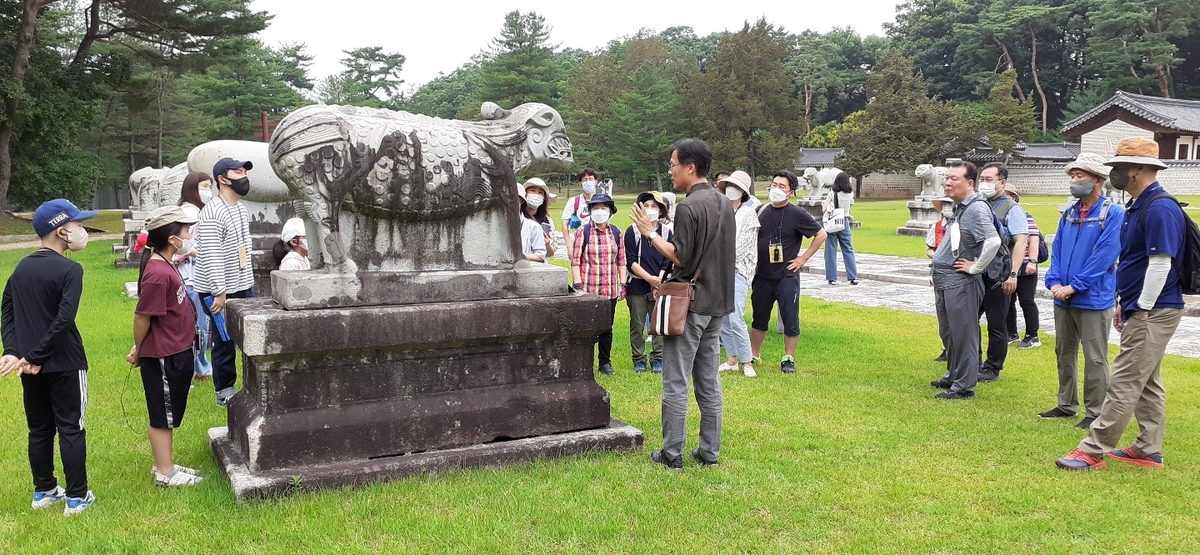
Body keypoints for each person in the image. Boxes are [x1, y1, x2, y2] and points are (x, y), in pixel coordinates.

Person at [1057, 137, 1186, 470]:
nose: (1113, 173)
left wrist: (1141, 307)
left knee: (1125, 379)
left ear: (1138, 170)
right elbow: (1134, 262)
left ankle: (1092, 449)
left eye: (1118, 168)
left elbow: (1161, 263)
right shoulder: (1139, 205)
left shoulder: (1159, 207)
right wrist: (1124, 303)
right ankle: (1148, 449)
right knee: (1147, 380)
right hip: (1141, 306)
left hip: (1154, 310)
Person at [630, 138, 734, 470]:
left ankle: (671, 453)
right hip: (717, 303)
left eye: (673, 165)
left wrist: (650, 233)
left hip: (689, 304)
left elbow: (681, 257)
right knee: (708, 380)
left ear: (690, 167)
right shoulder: (724, 202)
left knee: (676, 380)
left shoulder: (689, 207)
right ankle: (709, 452)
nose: (670, 171)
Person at [1, 199, 97, 515]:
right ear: (61, 231)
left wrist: (16, 352)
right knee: (71, 428)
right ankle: (77, 497)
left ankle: (44, 491)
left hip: (31, 367)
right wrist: (33, 355)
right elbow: (64, 319)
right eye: (79, 225)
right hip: (66, 362)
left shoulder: (21, 268)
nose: (82, 230)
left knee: (39, 428)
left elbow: (7, 310)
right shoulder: (71, 269)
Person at [1041, 153, 1124, 429]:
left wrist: (1075, 286)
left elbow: (1105, 256)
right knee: (1063, 352)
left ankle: (1096, 411)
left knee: (1095, 357)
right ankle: (1066, 404)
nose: (1074, 181)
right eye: (1073, 176)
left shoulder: (1112, 213)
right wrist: (1053, 282)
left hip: (1093, 298)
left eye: (1080, 176)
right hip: (1062, 297)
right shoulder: (1069, 214)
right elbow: (1058, 251)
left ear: (1097, 181)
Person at [126, 206, 205, 488]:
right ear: (172, 238)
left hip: (176, 349)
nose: (189, 234)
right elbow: (142, 315)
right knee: (163, 412)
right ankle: (164, 471)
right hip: (164, 354)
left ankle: (166, 463)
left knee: (170, 410)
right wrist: (139, 348)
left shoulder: (165, 263)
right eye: (185, 230)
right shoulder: (157, 272)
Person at [929, 161, 1000, 400]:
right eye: (946, 178)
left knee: (964, 334)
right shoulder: (961, 207)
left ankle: (964, 387)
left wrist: (975, 267)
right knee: (949, 333)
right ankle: (953, 375)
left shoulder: (976, 208)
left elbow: (993, 241)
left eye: (954, 179)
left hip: (962, 283)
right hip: (946, 281)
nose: (947, 182)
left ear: (970, 184)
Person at [749, 170, 826, 374]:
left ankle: (788, 357)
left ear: (791, 192)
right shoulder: (761, 210)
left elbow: (821, 234)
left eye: (781, 186)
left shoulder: (798, 214)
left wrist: (803, 259)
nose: (776, 189)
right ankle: (753, 354)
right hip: (762, 274)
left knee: (790, 317)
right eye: (774, 184)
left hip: (786, 275)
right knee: (759, 317)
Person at [194, 156, 255, 407]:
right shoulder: (212, 212)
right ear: (223, 179)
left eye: (244, 172)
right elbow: (211, 255)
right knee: (225, 340)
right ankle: (224, 392)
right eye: (238, 172)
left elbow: (244, 249)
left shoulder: (240, 209)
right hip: (216, 290)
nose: (244, 177)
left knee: (249, 335)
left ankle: (252, 386)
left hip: (241, 284)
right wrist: (220, 292)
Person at [975, 162, 1028, 382]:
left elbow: (1021, 241)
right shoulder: (978, 204)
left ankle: (993, 366)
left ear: (1002, 183)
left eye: (989, 179)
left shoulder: (1011, 208)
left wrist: (1012, 274)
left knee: (997, 324)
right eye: (982, 179)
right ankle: (971, 361)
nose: (984, 183)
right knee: (969, 320)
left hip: (998, 275)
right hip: (976, 273)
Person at [570, 194, 627, 375]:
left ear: (610, 211)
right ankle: (583, 363)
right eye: (595, 208)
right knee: (585, 328)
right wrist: (578, 285)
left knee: (606, 328)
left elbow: (621, 261)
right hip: (588, 288)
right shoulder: (583, 232)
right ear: (590, 211)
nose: (599, 211)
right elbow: (575, 260)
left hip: (609, 290)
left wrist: (623, 284)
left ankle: (604, 363)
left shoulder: (617, 232)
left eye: (603, 208)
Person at [714, 171, 759, 377]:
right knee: (722, 316)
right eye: (729, 186)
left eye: (737, 187)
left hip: (738, 271)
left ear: (743, 192)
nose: (732, 190)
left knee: (735, 316)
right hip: (718, 271)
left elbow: (741, 248)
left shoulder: (748, 214)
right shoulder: (720, 211)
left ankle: (747, 361)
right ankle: (732, 358)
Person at [624, 191, 674, 374]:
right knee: (637, 324)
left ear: (661, 210)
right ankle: (638, 359)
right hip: (637, 283)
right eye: (646, 205)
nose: (650, 209)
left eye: (654, 206)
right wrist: (649, 279)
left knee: (658, 324)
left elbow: (668, 258)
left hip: (660, 283)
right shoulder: (633, 231)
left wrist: (657, 281)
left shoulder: (667, 231)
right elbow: (630, 260)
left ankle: (658, 358)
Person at [177, 171, 213, 380]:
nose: (208, 191)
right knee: (198, 324)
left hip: (189, 275)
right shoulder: (191, 211)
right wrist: (202, 253)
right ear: (192, 188)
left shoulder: (186, 209)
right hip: (192, 276)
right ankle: (198, 368)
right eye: (204, 187)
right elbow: (183, 243)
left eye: (210, 186)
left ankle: (198, 366)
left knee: (196, 323)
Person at [1006, 192, 1043, 349]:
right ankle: (1011, 332)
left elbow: (1034, 240)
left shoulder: (1026, 217)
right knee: (1008, 300)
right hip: (1009, 265)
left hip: (1026, 265)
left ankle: (1032, 335)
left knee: (1026, 301)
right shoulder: (1003, 217)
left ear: (1014, 197)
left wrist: (1032, 262)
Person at [927, 196, 954, 363]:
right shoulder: (937, 227)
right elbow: (929, 249)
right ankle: (948, 348)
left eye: (950, 204)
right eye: (944, 204)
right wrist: (939, 256)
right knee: (943, 316)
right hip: (940, 274)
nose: (947, 207)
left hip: (960, 275)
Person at [823, 171, 859, 286]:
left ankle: (832, 277)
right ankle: (853, 276)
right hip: (845, 221)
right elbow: (850, 206)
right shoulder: (850, 194)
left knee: (831, 249)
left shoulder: (832, 193)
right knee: (848, 249)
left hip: (833, 222)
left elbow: (824, 209)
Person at [562, 168, 599, 248]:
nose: (588, 182)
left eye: (590, 179)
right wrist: (569, 246)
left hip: (600, 242)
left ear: (596, 181)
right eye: (585, 179)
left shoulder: (602, 201)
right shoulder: (574, 201)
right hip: (580, 243)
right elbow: (564, 224)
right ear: (580, 183)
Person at [522, 177, 556, 260]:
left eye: (540, 192)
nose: (536, 195)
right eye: (532, 191)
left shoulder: (547, 222)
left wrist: (547, 245)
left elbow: (550, 254)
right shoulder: (518, 219)